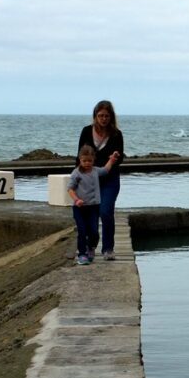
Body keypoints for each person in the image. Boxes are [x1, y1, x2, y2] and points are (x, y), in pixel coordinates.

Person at [77, 100, 125, 260]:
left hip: (110, 179)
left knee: (106, 211)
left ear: (111, 117)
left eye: (106, 116)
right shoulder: (86, 131)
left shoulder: (116, 134)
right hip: (90, 180)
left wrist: (114, 158)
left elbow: (120, 158)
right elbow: (79, 157)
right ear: (95, 116)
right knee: (90, 215)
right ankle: (91, 246)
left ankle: (108, 249)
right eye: (100, 116)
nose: (103, 119)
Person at [68, 145, 120, 265]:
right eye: (84, 161)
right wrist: (76, 200)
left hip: (93, 207)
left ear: (93, 160)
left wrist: (112, 160)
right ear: (80, 159)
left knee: (94, 231)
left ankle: (91, 247)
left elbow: (106, 170)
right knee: (82, 231)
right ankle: (82, 254)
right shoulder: (76, 173)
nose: (87, 163)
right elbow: (70, 189)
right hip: (79, 208)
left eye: (90, 161)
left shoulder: (95, 171)